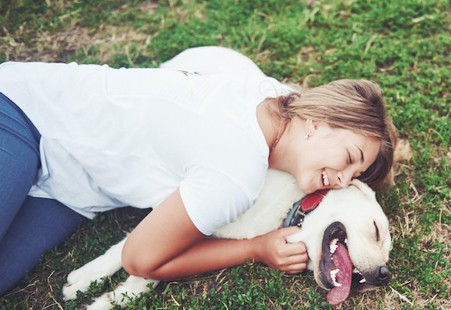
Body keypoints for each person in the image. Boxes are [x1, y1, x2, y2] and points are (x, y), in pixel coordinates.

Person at [0, 51, 396, 295]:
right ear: (319, 120)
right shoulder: (235, 174)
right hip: (23, 114)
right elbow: (141, 260)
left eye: (354, 175)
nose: (344, 179)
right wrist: (254, 249)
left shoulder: (271, 93)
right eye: (349, 157)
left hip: (73, 188)